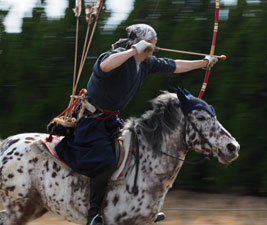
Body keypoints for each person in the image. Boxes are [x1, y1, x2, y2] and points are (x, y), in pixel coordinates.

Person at [55, 24, 218, 225]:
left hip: (111, 121)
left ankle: (140, 206)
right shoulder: (117, 55)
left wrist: (203, 63)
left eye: (154, 44)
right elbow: (105, 66)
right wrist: (133, 50)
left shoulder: (147, 63)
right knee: (105, 161)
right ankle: (94, 214)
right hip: (91, 122)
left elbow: (174, 65)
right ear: (139, 43)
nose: (155, 48)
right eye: (151, 44)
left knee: (140, 151)